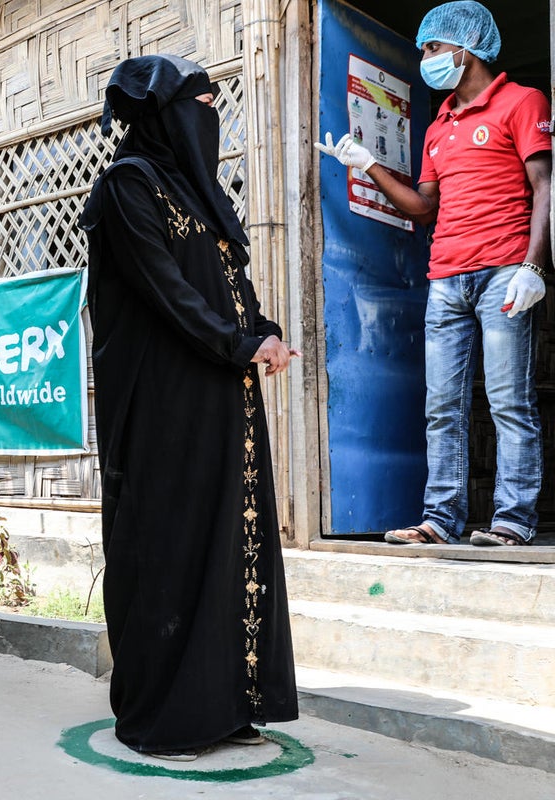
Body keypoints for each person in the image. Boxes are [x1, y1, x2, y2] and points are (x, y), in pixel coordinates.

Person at [79, 54, 300, 760]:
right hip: (163, 403)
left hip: (223, 397)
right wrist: (238, 345)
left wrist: (262, 332)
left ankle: (224, 703)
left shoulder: (205, 194)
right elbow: (166, 291)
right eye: (197, 103)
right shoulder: (127, 188)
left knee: (229, 544)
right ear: (161, 114)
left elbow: (230, 280)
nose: (209, 114)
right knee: (169, 544)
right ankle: (166, 714)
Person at [315, 1, 551, 547]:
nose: (425, 58)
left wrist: (535, 266)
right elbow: (422, 208)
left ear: (463, 50)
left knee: (508, 400)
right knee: (441, 404)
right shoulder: (438, 126)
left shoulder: (522, 101)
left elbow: (547, 187)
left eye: (432, 48)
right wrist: (365, 162)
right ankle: (439, 521)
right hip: (446, 277)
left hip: (504, 273)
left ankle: (512, 522)